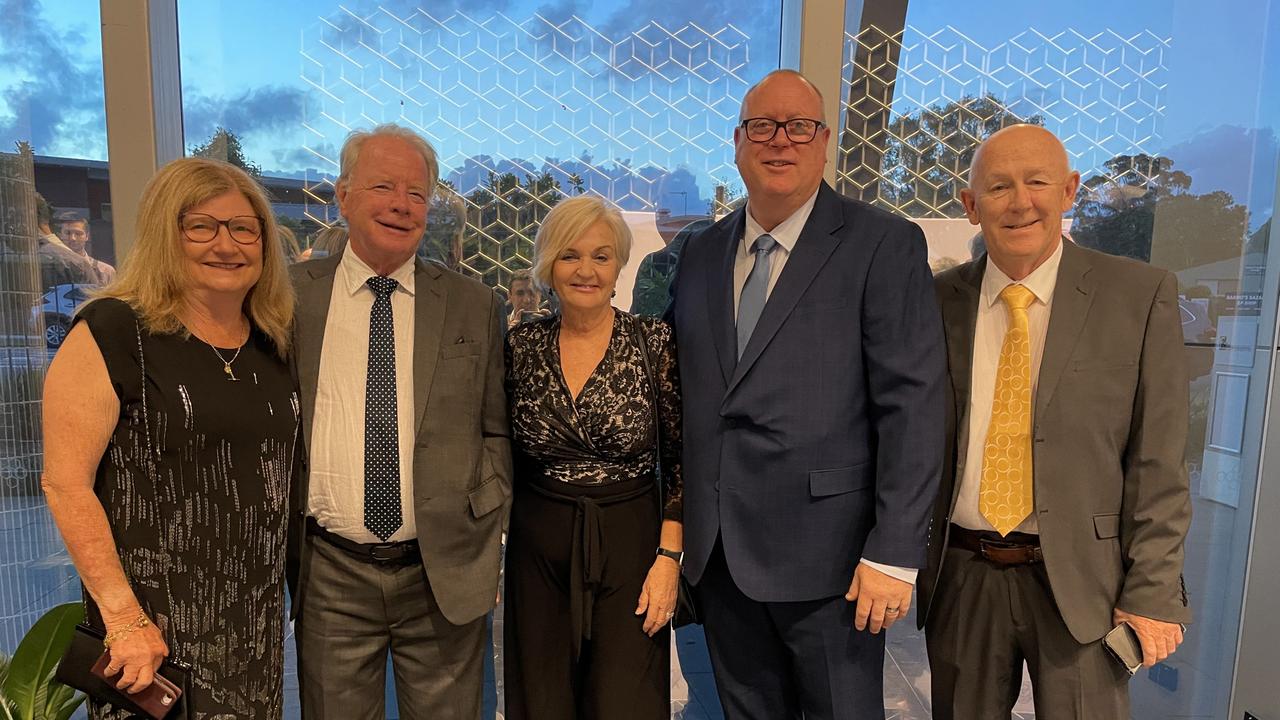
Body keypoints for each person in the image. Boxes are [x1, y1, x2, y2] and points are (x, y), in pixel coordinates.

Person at [666, 69, 946, 718]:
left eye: (799, 126)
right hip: (723, 559)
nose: (779, 141)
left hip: (835, 563)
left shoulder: (883, 244)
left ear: (825, 143)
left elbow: (915, 405)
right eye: (762, 126)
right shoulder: (701, 254)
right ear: (737, 144)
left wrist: (895, 549)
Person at [918, 124, 1191, 719]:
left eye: (1037, 182)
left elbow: (1159, 462)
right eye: (998, 187)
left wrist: (1153, 591)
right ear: (970, 206)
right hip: (963, 575)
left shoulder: (1139, 296)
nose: (1020, 202)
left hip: (1086, 585)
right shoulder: (932, 302)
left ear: (1068, 191)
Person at [40, 157, 299, 717]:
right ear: (165, 234)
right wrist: (123, 617)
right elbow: (65, 484)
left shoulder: (272, 343)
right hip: (151, 635)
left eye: (243, 228)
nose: (225, 245)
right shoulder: (112, 331)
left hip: (251, 628)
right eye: (201, 226)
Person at [286, 123, 512, 719]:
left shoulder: (474, 303)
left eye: (417, 192)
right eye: (382, 185)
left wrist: (485, 539)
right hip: (330, 571)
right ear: (342, 196)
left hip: (441, 573)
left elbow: (497, 430)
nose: (401, 205)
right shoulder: (288, 296)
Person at [504, 194, 683, 719]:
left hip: (631, 542)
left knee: (623, 700)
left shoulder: (653, 342)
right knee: (542, 697)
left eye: (601, 256)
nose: (586, 270)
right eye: (570, 255)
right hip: (539, 545)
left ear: (619, 264)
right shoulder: (521, 346)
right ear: (548, 265)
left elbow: (678, 459)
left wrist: (669, 561)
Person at [55, 209, 116, 283]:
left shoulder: (106, 272)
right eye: (67, 233)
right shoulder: (52, 270)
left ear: (87, 236)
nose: (73, 238)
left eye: (78, 233)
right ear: (60, 235)